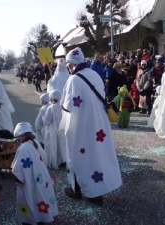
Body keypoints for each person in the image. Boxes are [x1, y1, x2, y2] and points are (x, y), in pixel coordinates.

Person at [61, 47, 122, 206]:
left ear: (71, 64)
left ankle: (78, 190)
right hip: (99, 125)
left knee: (77, 156)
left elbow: (68, 107)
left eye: (68, 64)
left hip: (81, 126)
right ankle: (96, 192)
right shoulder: (94, 74)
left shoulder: (74, 79)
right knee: (96, 156)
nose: (67, 67)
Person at [11, 122, 58, 224]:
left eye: (18, 137)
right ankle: (42, 216)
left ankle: (31, 219)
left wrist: (19, 179)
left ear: (22, 135)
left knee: (30, 198)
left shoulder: (23, 148)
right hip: (41, 177)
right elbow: (44, 158)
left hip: (29, 180)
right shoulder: (35, 142)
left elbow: (18, 168)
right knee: (41, 197)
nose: (18, 139)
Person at [42, 89, 66, 169]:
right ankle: (64, 159)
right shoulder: (63, 105)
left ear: (52, 98)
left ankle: (55, 161)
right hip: (63, 129)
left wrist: (43, 118)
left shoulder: (51, 107)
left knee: (54, 146)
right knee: (62, 145)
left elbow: (47, 121)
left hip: (54, 130)